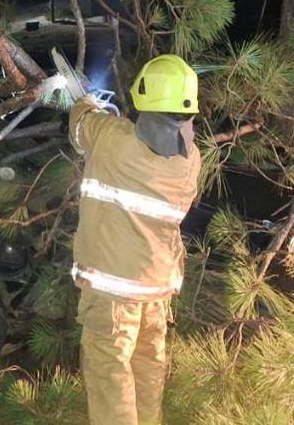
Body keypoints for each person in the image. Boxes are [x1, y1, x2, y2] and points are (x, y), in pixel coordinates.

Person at [68, 54, 201, 425]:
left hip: (113, 295)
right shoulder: (191, 161)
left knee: (111, 376)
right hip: (156, 290)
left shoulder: (113, 139)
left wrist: (88, 102)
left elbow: (80, 127)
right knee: (147, 372)